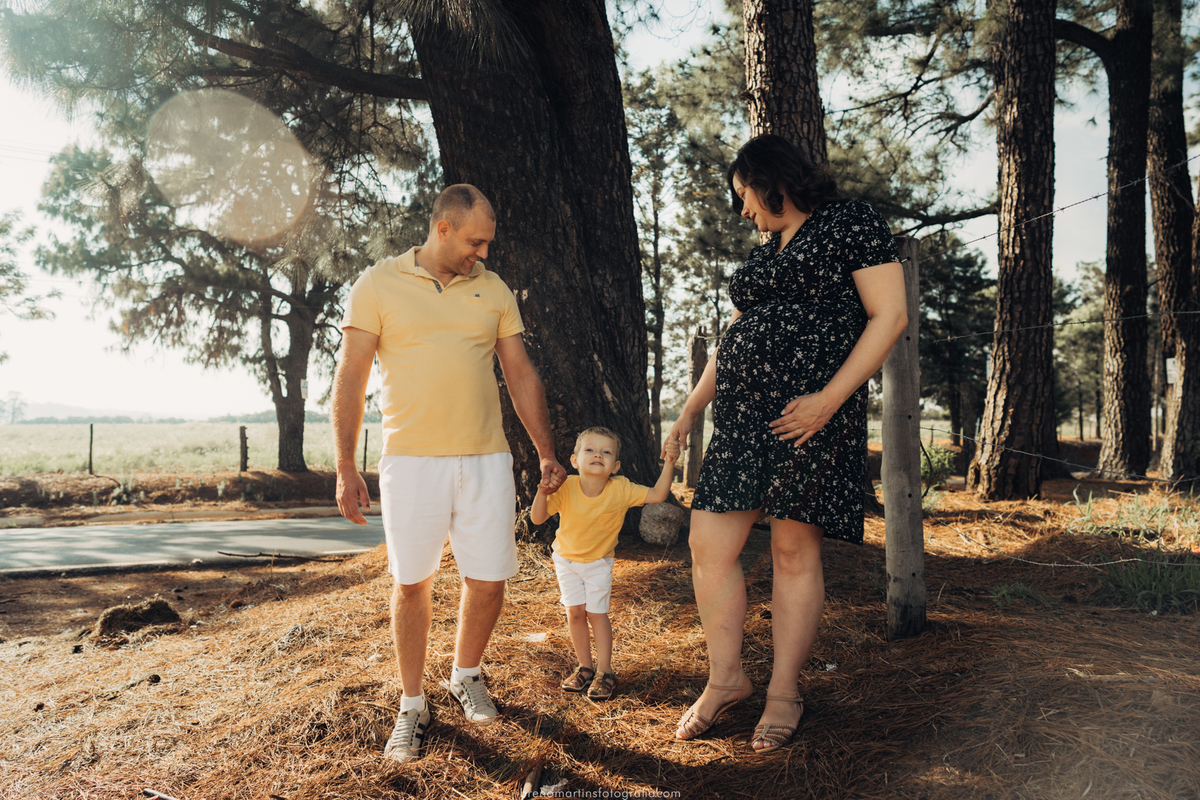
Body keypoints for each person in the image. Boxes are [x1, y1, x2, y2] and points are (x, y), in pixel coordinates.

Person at [665, 134, 908, 754]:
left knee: (794, 550)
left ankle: (783, 692)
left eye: (743, 195)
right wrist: (691, 410)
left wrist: (830, 400)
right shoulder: (766, 252)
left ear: (767, 178)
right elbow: (733, 337)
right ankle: (727, 680)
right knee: (707, 543)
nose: (743, 211)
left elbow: (889, 315)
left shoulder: (849, 222)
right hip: (743, 418)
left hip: (812, 416)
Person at [331, 184, 566, 764]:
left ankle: (466, 674)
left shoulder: (493, 290)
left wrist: (545, 450)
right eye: (474, 241)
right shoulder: (377, 285)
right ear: (442, 228)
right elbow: (352, 376)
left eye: (487, 243)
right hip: (410, 462)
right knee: (411, 584)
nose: (482, 254)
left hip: (486, 460)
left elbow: (520, 374)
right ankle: (412, 704)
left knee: (488, 580)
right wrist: (344, 465)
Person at [530, 427, 680, 701]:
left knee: (597, 614)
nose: (598, 454)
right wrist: (542, 492)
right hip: (566, 560)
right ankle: (585, 667)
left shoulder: (621, 488)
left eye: (606, 452)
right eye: (589, 449)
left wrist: (669, 462)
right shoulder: (567, 487)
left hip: (599, 563)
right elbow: (537, 518)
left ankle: (605, 671)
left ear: (615, 466)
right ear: (574, 460)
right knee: (575, 613)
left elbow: (658, 494)